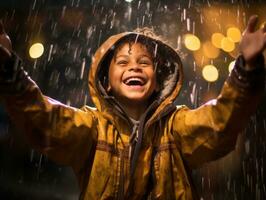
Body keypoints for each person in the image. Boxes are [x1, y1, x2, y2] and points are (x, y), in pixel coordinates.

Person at [0, 15, 265, 200]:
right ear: (107, 80)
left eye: (144, 62)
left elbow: (220, 121)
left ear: (158, 79)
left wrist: (245, 69)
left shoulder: (175, 128)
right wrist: (9, 68)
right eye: (123, 62)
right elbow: (45, 119)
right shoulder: (92, 127)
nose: (134, 67)